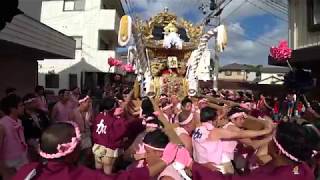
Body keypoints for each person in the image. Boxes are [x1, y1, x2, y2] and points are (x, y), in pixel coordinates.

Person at [13, 122, 174, 180]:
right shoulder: (81, 176)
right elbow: (125, 178)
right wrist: (165, 160)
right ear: (71, 152)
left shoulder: (27, 171)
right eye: (79, 145)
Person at [191, 121, 316, 180]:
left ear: (278, 151)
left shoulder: (267, 177)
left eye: (272, 139)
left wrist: (192, 165)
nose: (269, 141)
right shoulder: (304, 169)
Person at [192, 107, 272, 174]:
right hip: (220, 165)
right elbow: (242, 135)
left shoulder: (198, 128)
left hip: (203, 165)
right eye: (240, 119)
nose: (243, 121)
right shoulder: (215, 131)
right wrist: (266, 132)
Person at [91, 97, 128, 174]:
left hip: (97, 148)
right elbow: (121, 131)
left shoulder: (98, 116)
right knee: (107, 176)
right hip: (108, 151)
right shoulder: (115, 120)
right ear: (113, 107)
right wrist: (121, 116)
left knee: (97, 173)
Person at [0, 94, 28, 180]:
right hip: (9, 165)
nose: (23, 107)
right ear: (12, 108)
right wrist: (2, 169)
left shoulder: (18, 121)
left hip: (21, 160)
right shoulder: (2, 125)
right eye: (21, 105)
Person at [20, 93, 50, 162]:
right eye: (34, 102)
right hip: (30, 144)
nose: (36, 103)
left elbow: (47, 125)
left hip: (43, 140)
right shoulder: (23, 117)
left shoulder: (40, 112)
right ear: (27, 104)